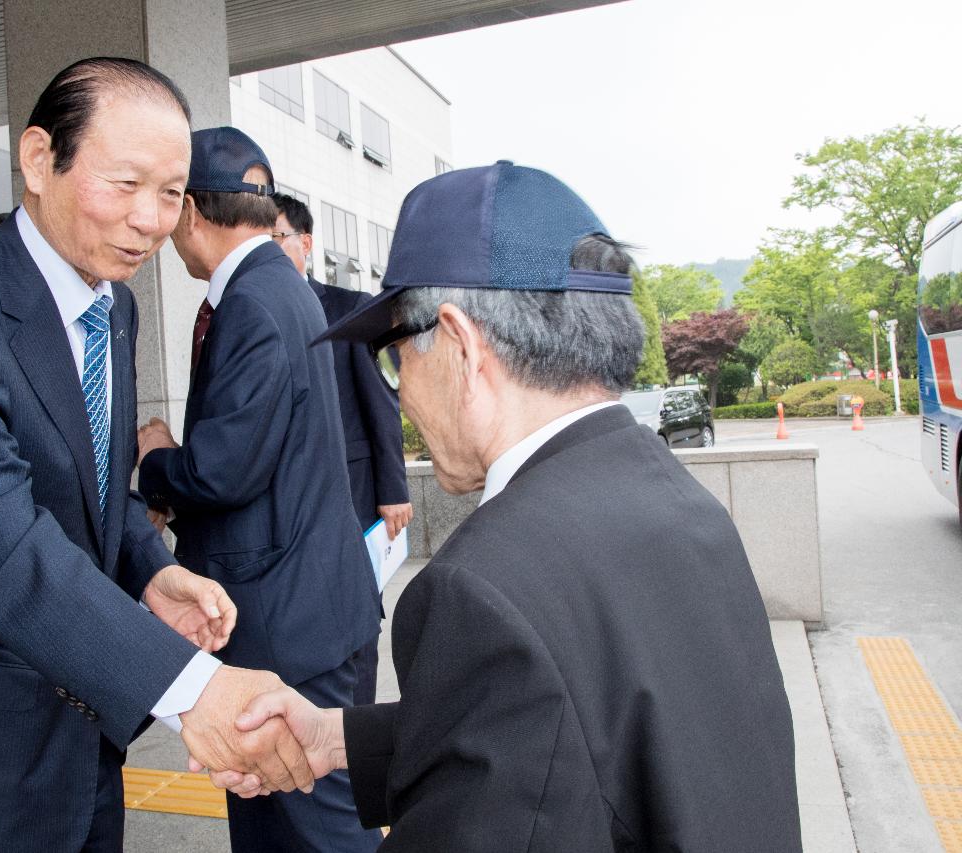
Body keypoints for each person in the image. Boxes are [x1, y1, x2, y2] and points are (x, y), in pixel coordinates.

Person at [218, 162, 804, 852]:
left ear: (461, 346)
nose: (400, 392)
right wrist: (337, 735)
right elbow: (576, 717)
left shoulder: (481, 591)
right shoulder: (682, 505)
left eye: (396, 354)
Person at [0, 58, 313, 853]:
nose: (150, 219)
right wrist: (191, 688)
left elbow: (94, 485)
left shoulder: (113, 308)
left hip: (84, 719)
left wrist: (148, 566)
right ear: (38, 160)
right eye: (125, 183)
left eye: (170, 193)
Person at [136, 127, 382, 852]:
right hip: (302, 611)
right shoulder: (277, 285)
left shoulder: (249, 304)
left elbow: (222, 469)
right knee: (277, 826)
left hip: (292, 628)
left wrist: (154, 458)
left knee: (324, 828)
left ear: (190, 212)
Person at [271, 192, 411, 705]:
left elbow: (381, 402)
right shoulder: (252, 309)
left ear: (305, 243)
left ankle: (355, 731)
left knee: (356, 615)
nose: (267, 248)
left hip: (353, 494)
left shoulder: (349, 309)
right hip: (287, 503)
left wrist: (393, 490)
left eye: (277, 237)